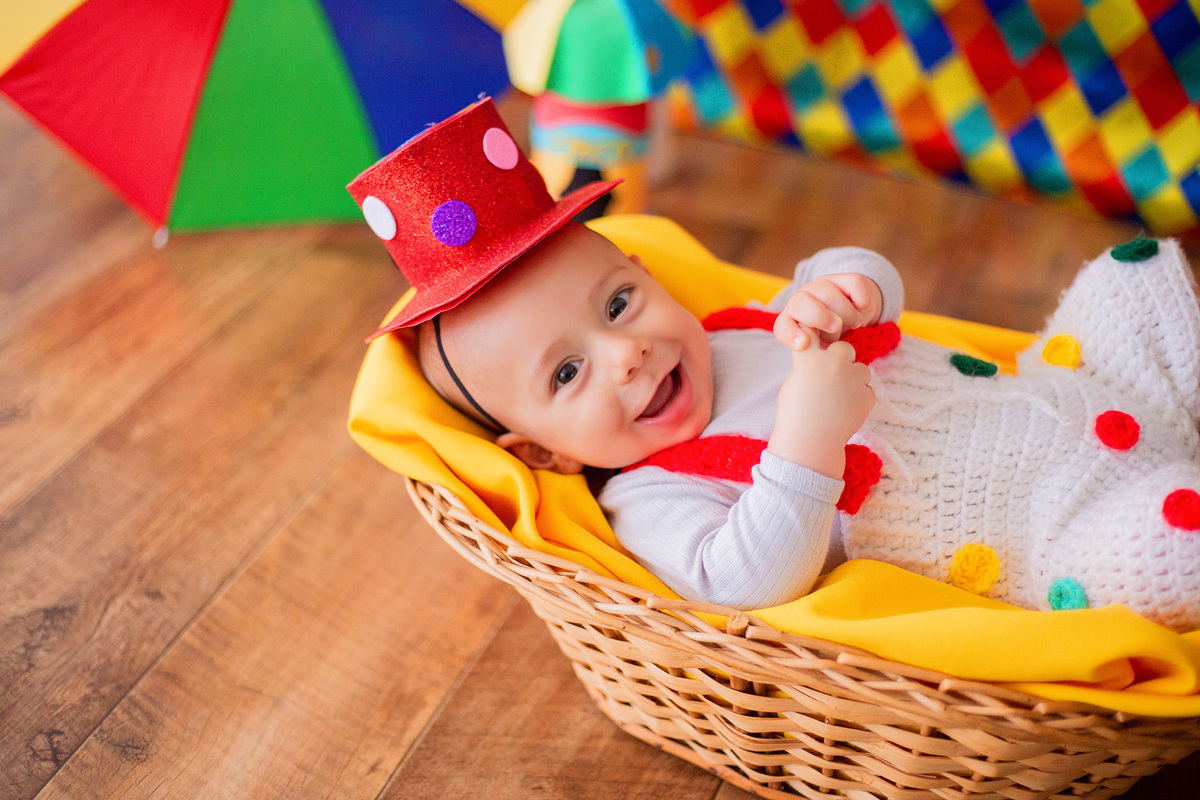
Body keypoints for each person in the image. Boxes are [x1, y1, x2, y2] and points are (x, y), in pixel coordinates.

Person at [347, 98, 1200, 631]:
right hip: (1040, 526)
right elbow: (742, 581)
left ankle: (1173, 419)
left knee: (1133, 275)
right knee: (1173, 541)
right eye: (567, 375)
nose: (626, 353)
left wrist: (849, 289)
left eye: (618, 304)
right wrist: (806, 444)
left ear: (647, 277)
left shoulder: (742, 328)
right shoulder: (650, 495)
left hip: (1059, 391)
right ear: (543, 453)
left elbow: (850, 275)